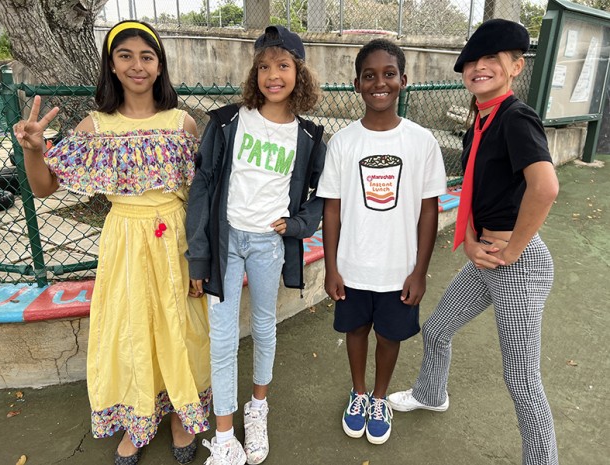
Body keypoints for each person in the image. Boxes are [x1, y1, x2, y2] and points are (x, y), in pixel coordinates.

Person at [13, 21, 211, 465]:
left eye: (147, 56)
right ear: (112, 66)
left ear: (159, 66)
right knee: (131, 328)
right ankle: (139, 419)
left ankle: (181, 415)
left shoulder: (181, 122)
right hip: (124, 241)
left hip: (175, 240)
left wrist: (201, 256)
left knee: (180, 327)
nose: (137, 65)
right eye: (125, 56)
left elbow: (201, 195)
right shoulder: (96, 125)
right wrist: (34, 149)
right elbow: (45, 188)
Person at [388, 19, 560, 465]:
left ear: (516, 66)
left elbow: (545, 187)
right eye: (471, 61)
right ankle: (431, 393)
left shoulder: (516, 118)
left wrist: (513, 249)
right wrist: (467, 239)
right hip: (484, 256)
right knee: (437, 329)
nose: (478, 67)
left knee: (522, 379)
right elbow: (471, 190)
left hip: (516, 264)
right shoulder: (480, 122)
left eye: (491, 59)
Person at [185, 25, 326, 464]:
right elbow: (203, 186)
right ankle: (225, 437)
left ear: (299, 74)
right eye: (263, 66)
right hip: (225, 241)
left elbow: (323, 192)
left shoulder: (307, 136)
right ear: (254, 74)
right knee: (223, 338)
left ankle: (258, 407)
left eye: (283, 65)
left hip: (269, 243)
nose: (272, 75)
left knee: (265, 327)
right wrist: (198, 257)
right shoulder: (228, 121)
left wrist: (300, 223)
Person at [317, 38, 447, 445]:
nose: (379, 83)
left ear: (403, 80)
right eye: (369, 76)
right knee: (356, 330)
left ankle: (378, 398)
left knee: (389, 336)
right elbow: (332, 210)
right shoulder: (343, 142)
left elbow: (429, 210)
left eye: (389, 74)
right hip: (353, 267)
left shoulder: (422, 141)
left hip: (399, 270)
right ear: (356, 84)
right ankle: (358, 393)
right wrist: (332, 267)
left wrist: (419, 271)